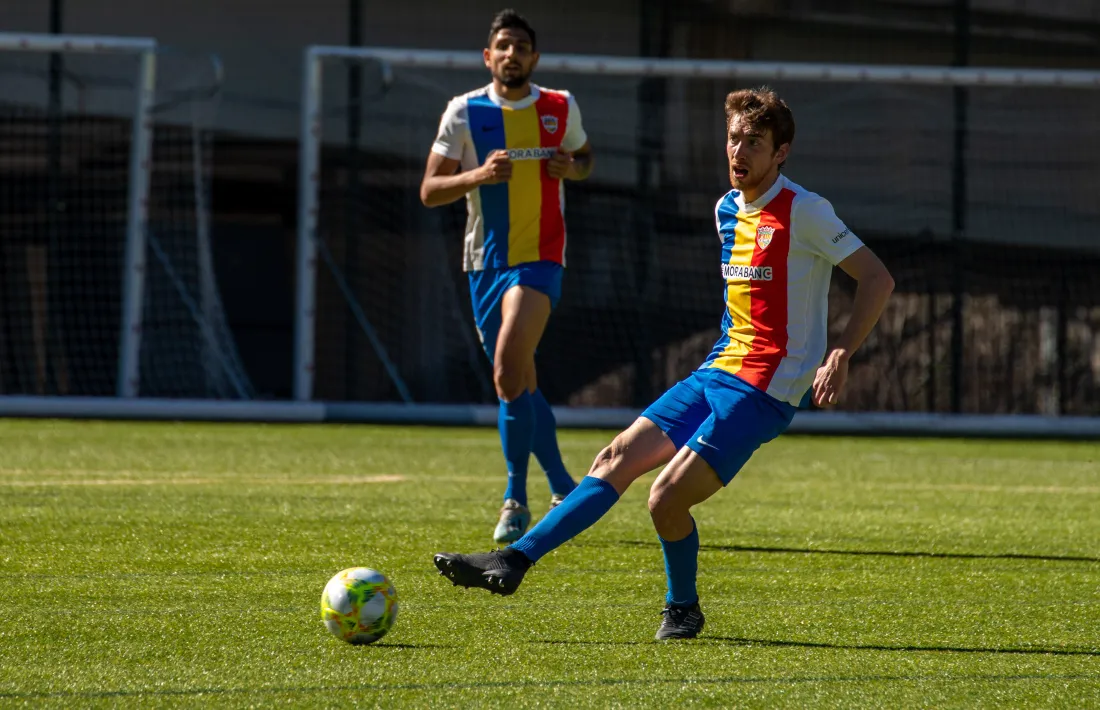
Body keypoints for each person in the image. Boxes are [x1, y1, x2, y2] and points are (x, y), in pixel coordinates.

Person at [432, 86, 895, 640]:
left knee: (664, 497)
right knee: (617, 454)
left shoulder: (807, 210)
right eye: (733, 138)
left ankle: (682, 608)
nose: (738, 151)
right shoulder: (726, 209)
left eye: (754, 141)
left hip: (767, 388)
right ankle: (514, 561)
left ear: (782, 153)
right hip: (716, 371)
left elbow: (877, 278)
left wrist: (840, 352)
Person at [420, 9, 595, 543]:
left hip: (541, 258)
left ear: (534, 57)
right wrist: (478, 173)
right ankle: (565, 484)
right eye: (503, 45)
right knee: (521, 379)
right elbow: (430, 191)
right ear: (488, 56)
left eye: (521, 45)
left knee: (504, 370)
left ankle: (514, 499)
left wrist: (574, 168)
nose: (512, 53)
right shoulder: (464, 111)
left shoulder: (559, 106)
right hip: (484, 263)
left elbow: (585, 158)